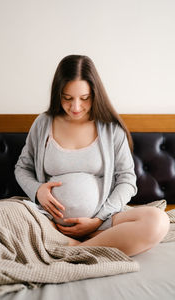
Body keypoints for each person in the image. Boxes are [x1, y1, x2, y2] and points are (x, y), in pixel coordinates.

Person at [15, 54, 170, 256]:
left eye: (85, 98)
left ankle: (74, 249)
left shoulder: (111, 129)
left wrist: (97, 220)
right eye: (67, 98)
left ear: (95, 94)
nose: (76, 107)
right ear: (57, 93)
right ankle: (86, 245)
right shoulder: (43, 123)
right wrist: (38, 191)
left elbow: (127, 179)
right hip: (50, 223)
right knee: (1, 217)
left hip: (103, 222)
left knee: (159, 221)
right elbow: (22, 168)